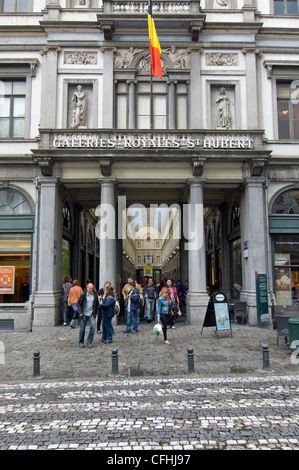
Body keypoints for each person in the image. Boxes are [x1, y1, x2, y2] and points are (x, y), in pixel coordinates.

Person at [77, 282, 99, 348]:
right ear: (87, 288)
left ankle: (89, 342)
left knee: (93, 327)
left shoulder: (94, 295)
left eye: (92, 288)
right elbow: (79, 304)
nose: (91, 290)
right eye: (90, 288)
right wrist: (80, 312)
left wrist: (97, 313)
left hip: (91, 313)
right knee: (82, 329)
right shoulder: (83, 295)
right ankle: (81, 342)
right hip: (84, 313)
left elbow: (97, 304)